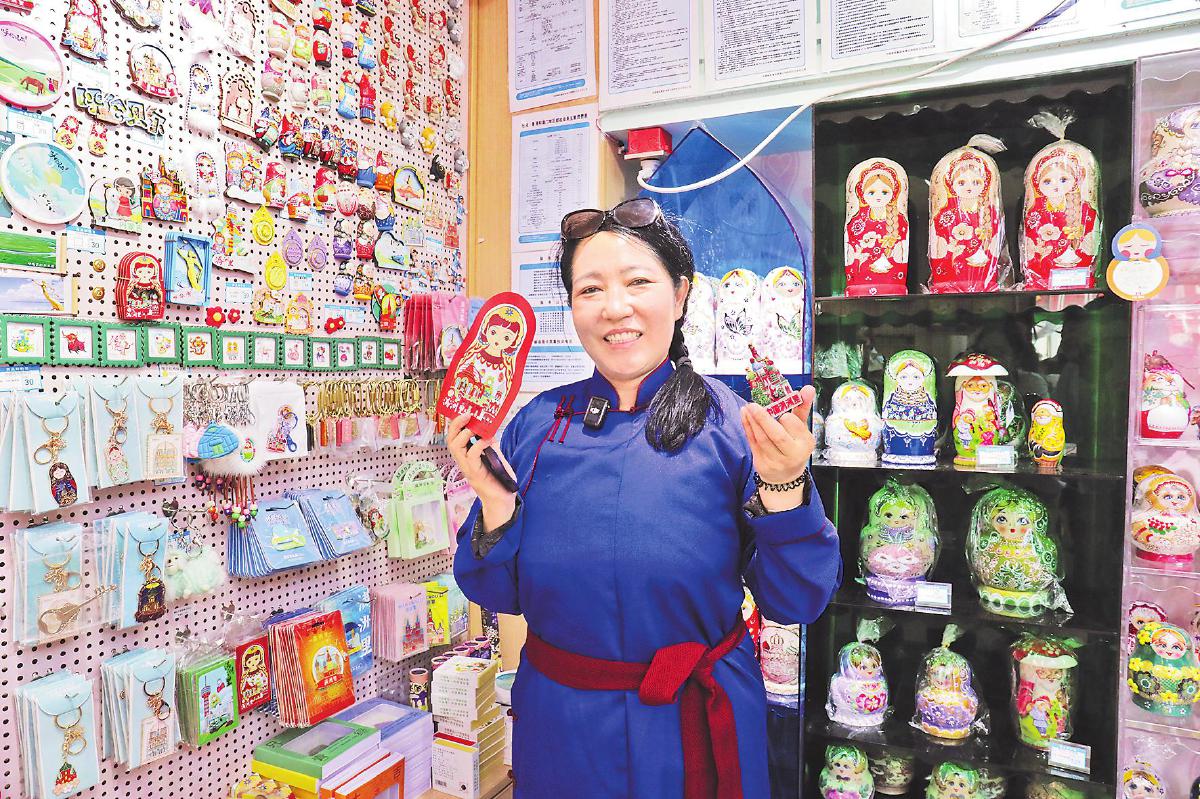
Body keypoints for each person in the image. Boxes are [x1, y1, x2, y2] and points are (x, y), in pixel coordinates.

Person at [448, 198, 841, 798]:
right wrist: (495, 507)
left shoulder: (737, 428)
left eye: (637, 282)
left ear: (680, 296)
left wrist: (786, 483)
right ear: (572, 307)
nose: (615, 308)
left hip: (691, 731)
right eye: (590, 289)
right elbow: (497, 594)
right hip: (562, 730)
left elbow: (797, 599)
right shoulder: (536, 425)